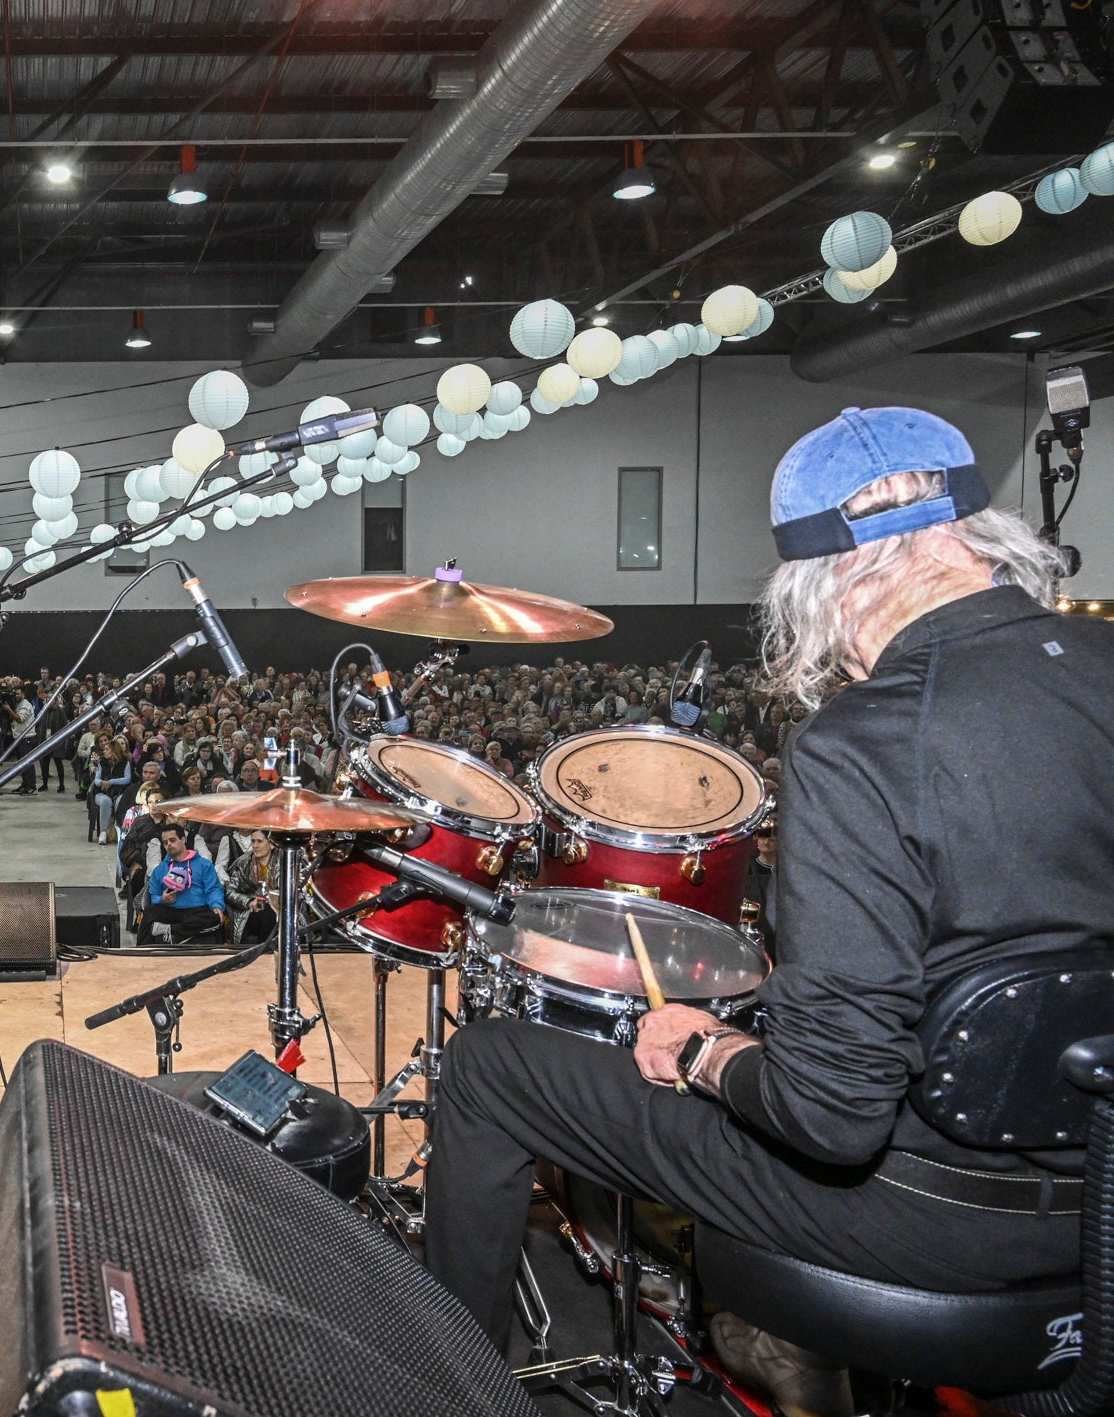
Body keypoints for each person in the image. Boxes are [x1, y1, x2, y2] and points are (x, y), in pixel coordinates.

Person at [422, 407, 1108, 1415]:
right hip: (1099, 1181)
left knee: (490, 1067)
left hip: (936, 1214)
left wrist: (698, 1049)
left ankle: (441, 1388)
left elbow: (829, 1118)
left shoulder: (861, 742)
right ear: (974, 531)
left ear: (818, 582)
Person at [140, 822, 227, 942]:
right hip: (170, 910)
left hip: (197, 910)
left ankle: (172, 930)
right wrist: (162, 899)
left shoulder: (204, 864)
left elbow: (213, 889)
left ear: (183, 840)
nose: (169, 844)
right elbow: (153, 895)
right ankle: (140, 956)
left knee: (214, 918)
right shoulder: (160, 870)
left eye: (172, 840)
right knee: (150, 913)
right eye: (165, 843)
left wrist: (216, 905)